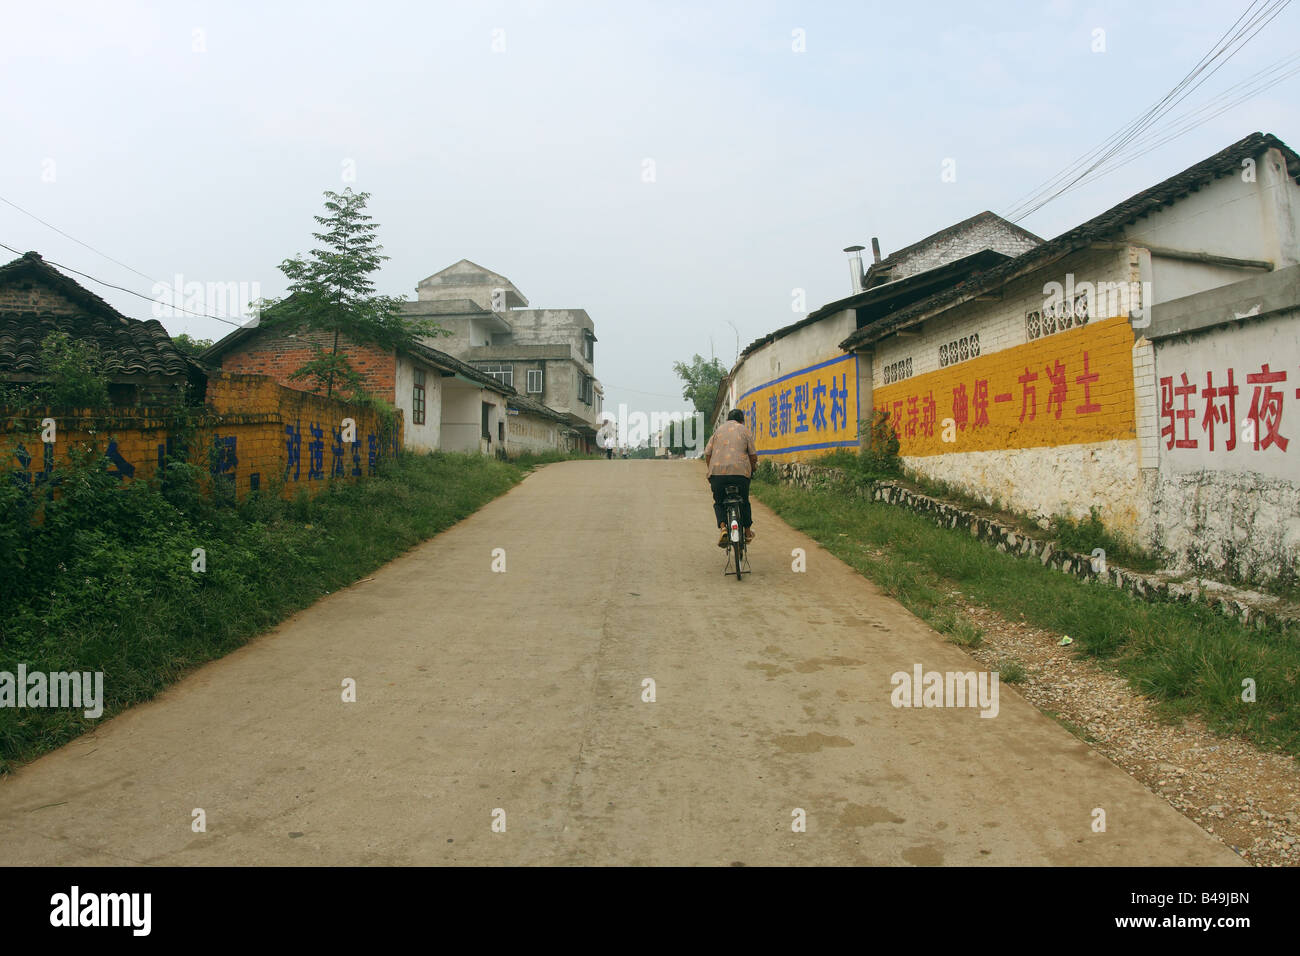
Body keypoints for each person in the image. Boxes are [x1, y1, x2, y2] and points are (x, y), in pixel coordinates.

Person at [703, 409, 758, 548]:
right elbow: (753, 456)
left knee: (719, 502)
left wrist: (711, 469)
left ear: (727, 419)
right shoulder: (744, 430)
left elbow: (707, 453)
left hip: (717, 475)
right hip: (740, 475)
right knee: (744, 501)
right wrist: (752, 468)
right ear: (741, 420)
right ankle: (746, 531)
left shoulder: (718, 431)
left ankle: (723, 528)